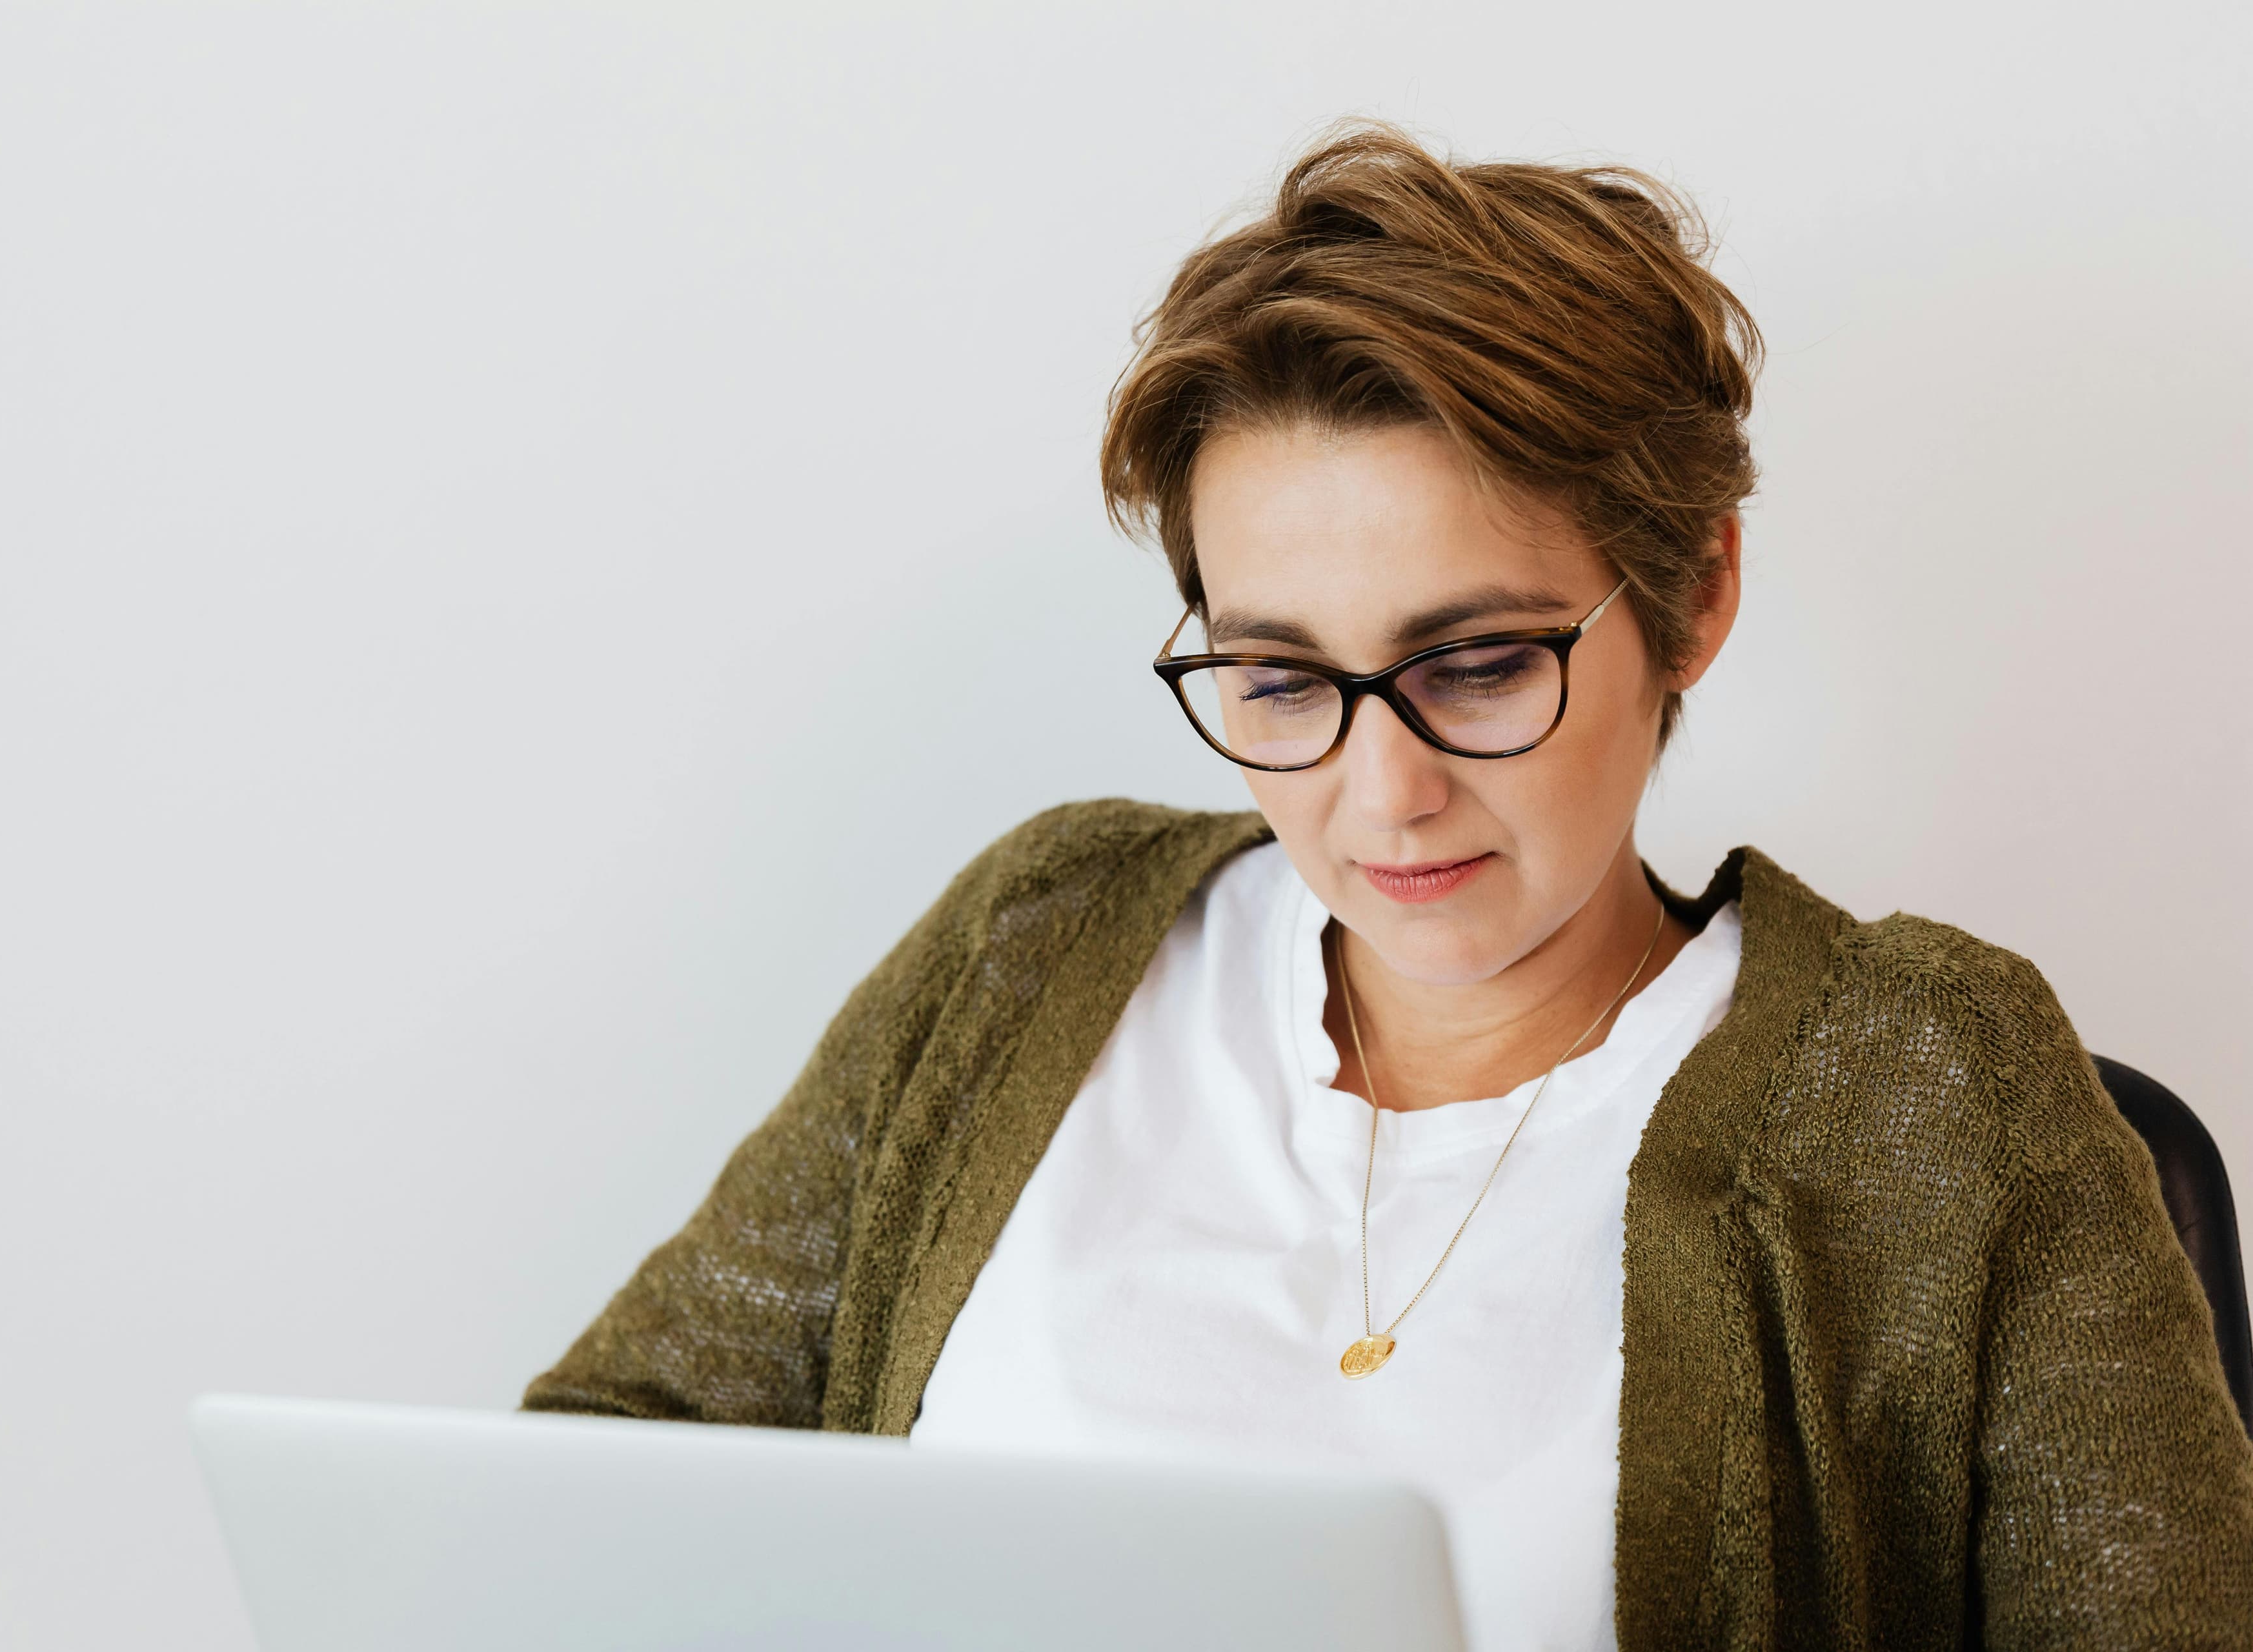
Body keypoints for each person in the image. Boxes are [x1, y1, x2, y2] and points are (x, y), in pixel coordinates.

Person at [523, 122, 2253, 1647]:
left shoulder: (1945, 1090)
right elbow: (606, 1473)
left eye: (1479, 666)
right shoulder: (1031, 943)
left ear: (1693, 597)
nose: (1382, 794)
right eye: (1280, 683)